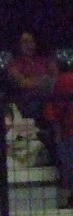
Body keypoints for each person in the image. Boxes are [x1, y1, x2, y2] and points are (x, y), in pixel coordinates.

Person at [6, 29, 58, 121]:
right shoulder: (14, 63)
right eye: (25, 42)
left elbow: (55, 80)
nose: (28, 45)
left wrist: (32, 80)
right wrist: (44, 79)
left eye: (31, 41)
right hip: (27, 102)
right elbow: (23, 83)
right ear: (19, 45)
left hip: (49, 100)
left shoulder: (44, 60)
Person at [43, 67, 73, 208]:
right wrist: (57, 131)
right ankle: (68, 200)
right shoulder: (66, 79)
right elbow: (52, 108)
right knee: (67, 163)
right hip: (68, 133)